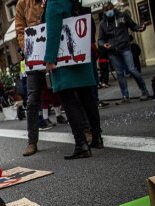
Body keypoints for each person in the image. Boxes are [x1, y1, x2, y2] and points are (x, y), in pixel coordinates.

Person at [45, 0, 103, 159]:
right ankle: (97, 137)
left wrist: (50, 58)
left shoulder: (54, 2)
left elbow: (53, 31)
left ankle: (81, 144)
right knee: (87, 97)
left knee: (68, 100)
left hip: (64, 59)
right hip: (80, 53)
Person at [15, 0, 53, 156]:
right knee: (32, 100)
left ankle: (84, 130)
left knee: (66, 92)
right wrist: (28, 48)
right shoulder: (22, 4)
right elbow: (20, 30)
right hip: (34, 54)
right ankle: (32, 141)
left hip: (54, 48)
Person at [97, 2, 150, 102]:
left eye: (110, 8)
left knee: (132, 69)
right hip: (113, 51)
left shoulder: (122, 16)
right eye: (106, 9)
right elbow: (100, 39)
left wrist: (141, 28)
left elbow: (133, 26)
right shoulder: (103, 24)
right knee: (120, 73)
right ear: (103, 11)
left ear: (113, 8)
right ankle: (125, 96)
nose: (109, 11)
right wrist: (103, 44)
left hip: (125, 47)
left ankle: (144, 91)